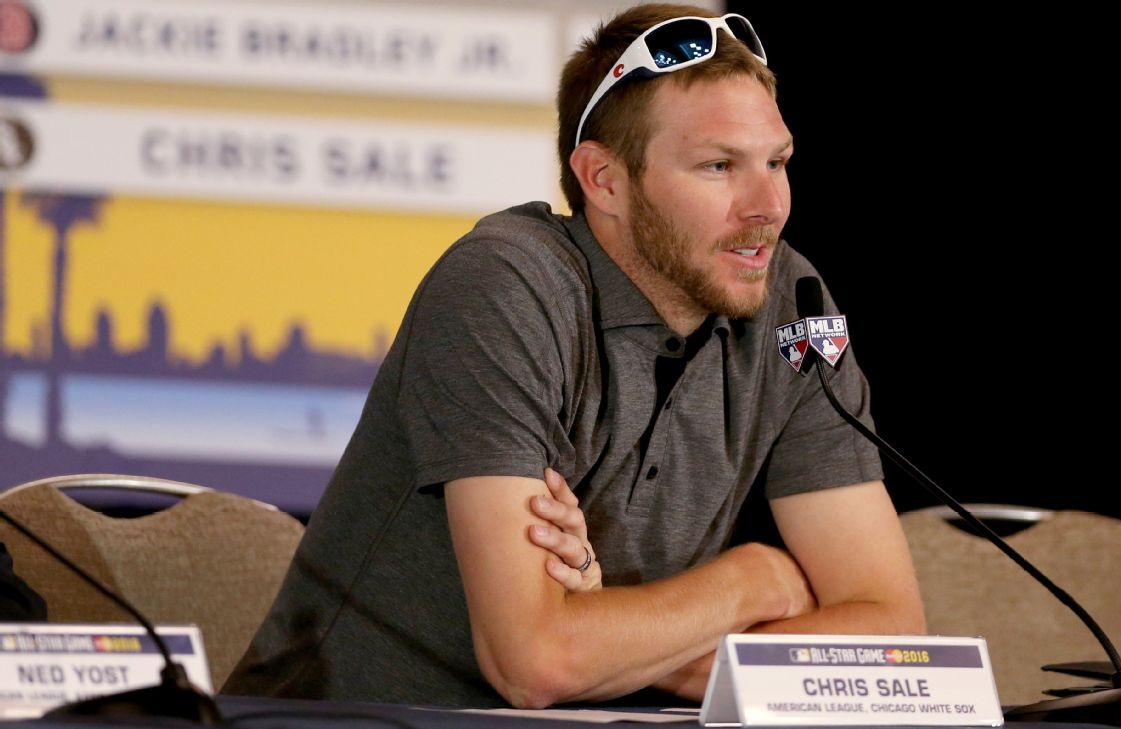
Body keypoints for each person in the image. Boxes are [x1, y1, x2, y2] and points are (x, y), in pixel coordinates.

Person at [225, 3, 924, 709]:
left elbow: (891, 635)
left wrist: (629, 648)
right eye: (719, 166)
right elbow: (536, 661)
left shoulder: (792, 306)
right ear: (604, 180)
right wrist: (757, 580)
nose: (767, 205)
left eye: (777, 162)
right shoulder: (506, 285)